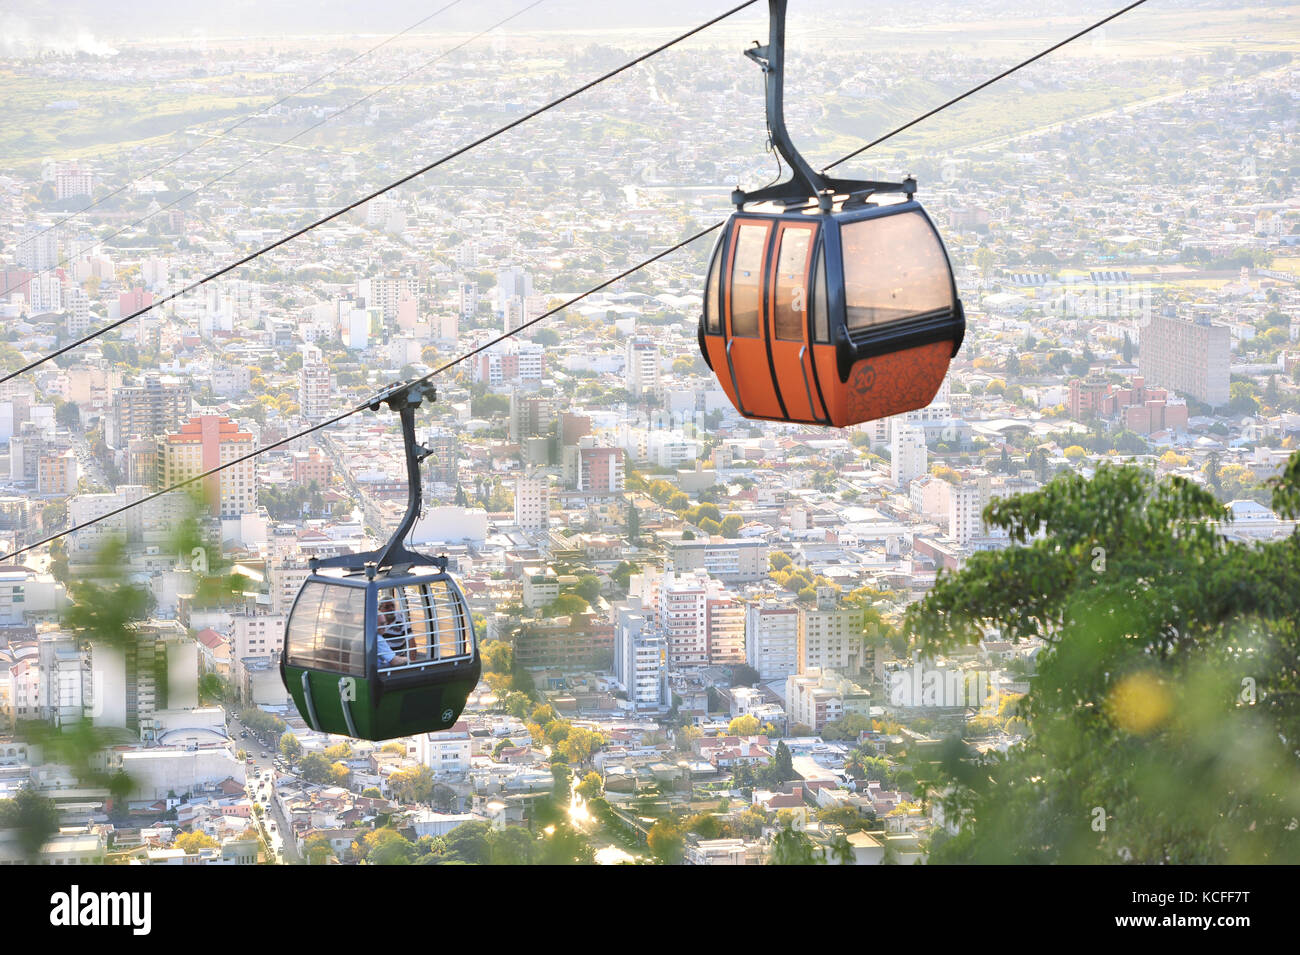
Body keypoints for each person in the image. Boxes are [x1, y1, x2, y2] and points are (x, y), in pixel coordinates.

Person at [377, 595, 411, 668]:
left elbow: (411, 643)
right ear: (379, 609)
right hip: (385, 664)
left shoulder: (401, 620)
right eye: (387, 607)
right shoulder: (378, 638)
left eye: (393, 606)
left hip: (398, 659)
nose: (391, 609)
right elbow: (394, 661)